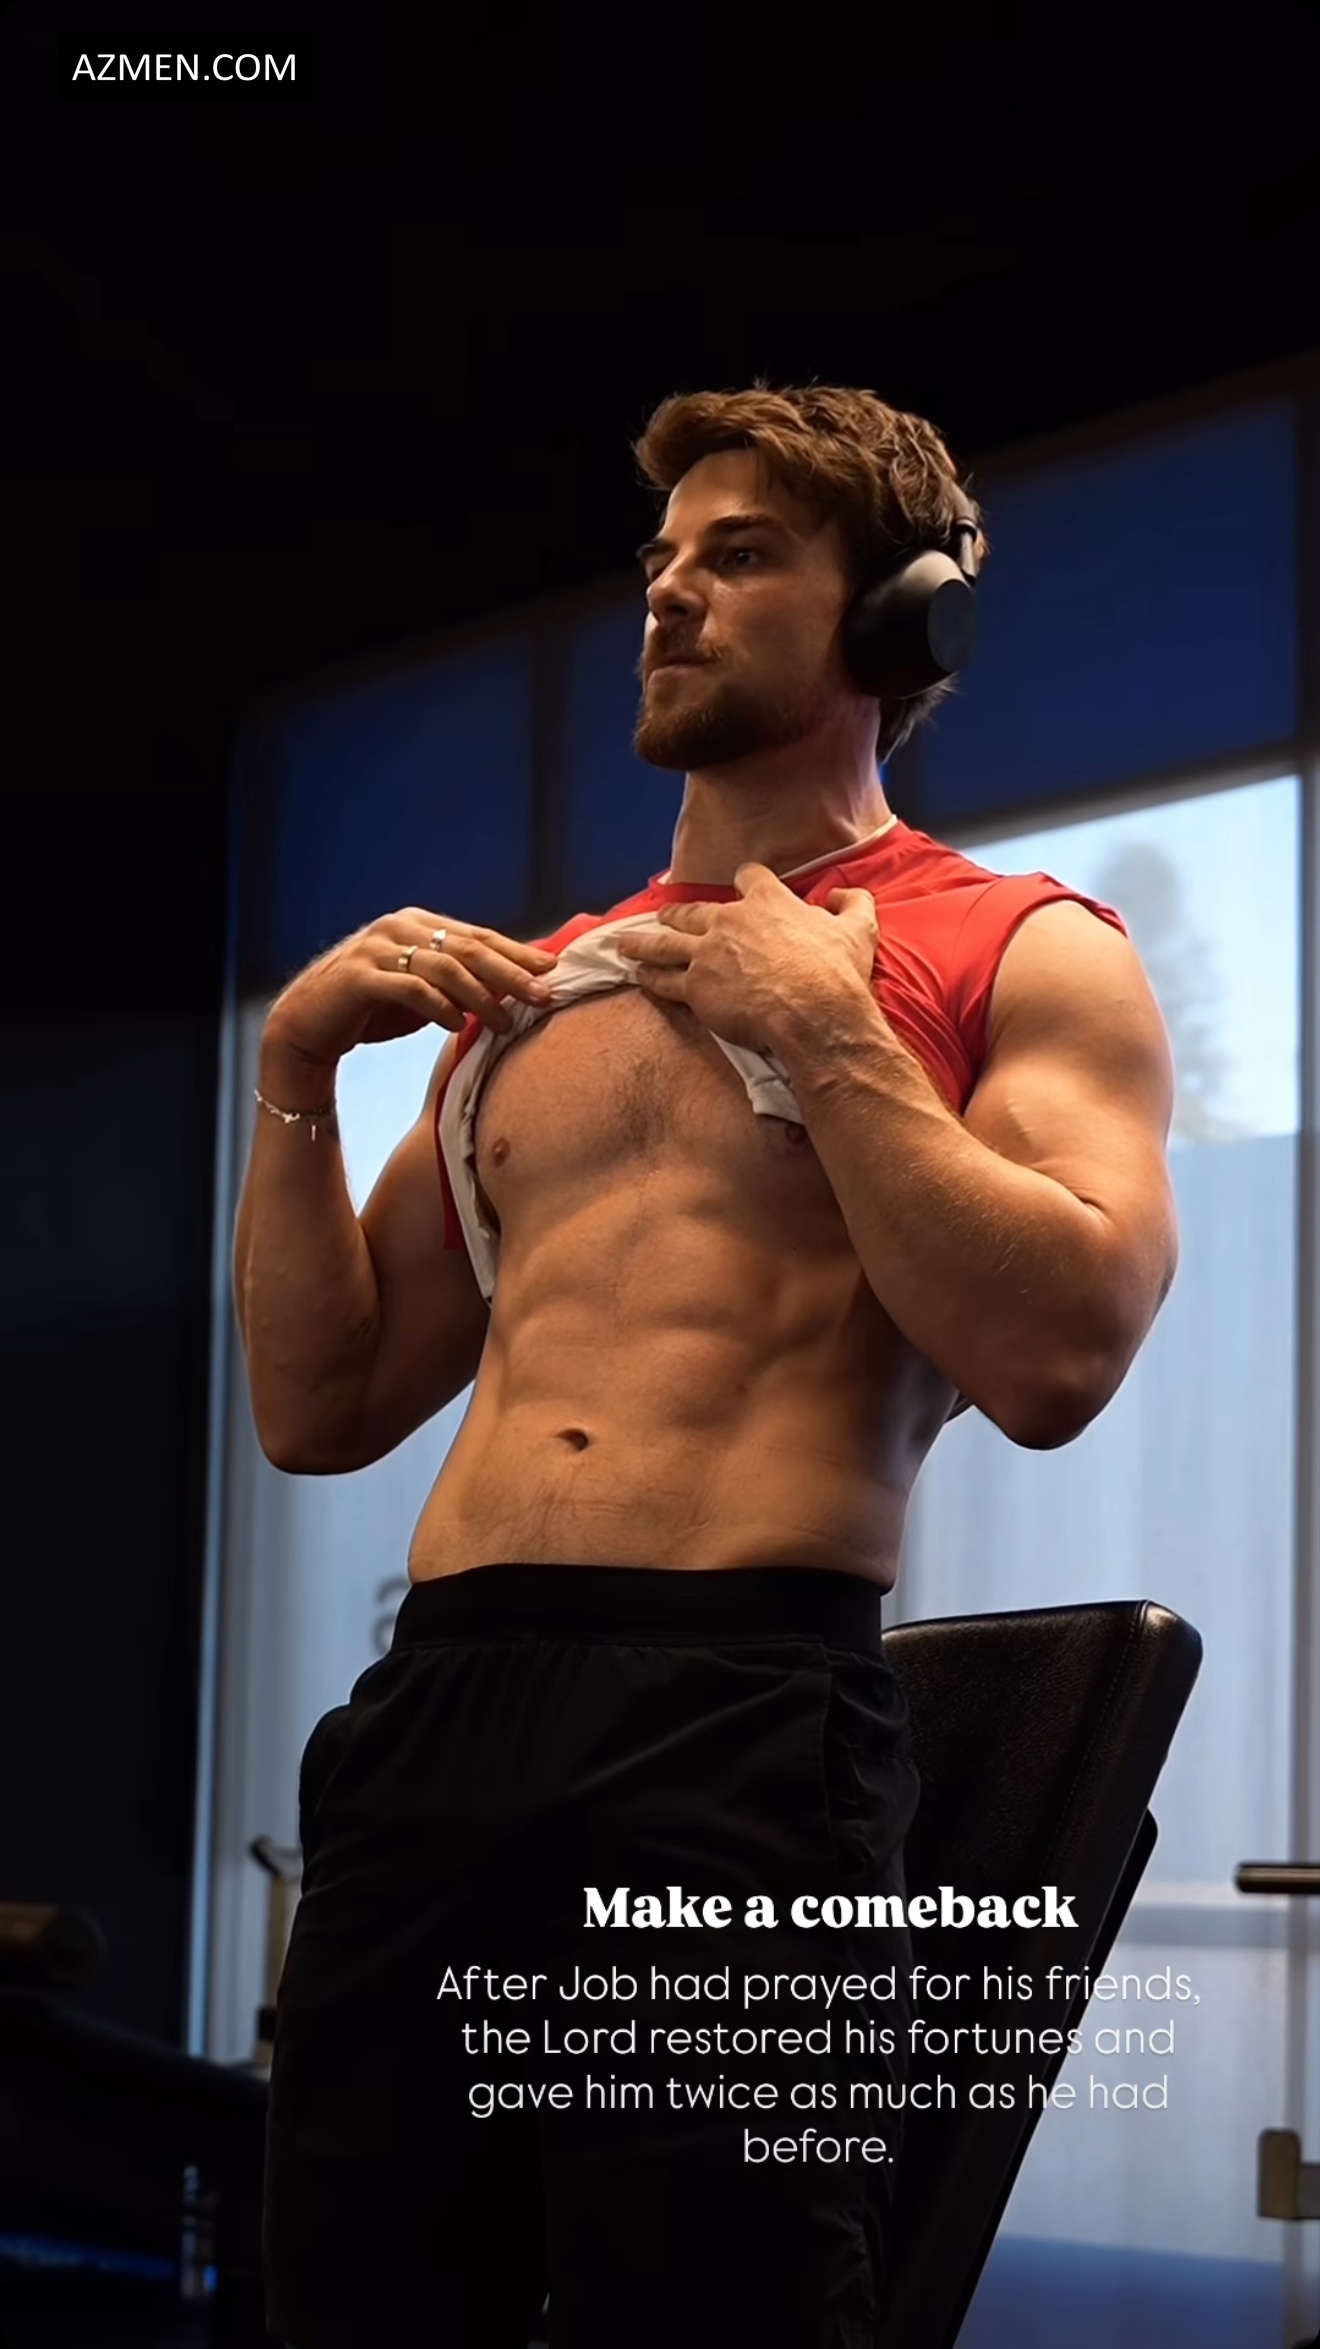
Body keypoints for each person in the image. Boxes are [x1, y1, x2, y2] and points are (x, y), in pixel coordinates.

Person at [235, 385, 1179, 2348]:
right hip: (436, 1712)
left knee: (720, 2311)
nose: (668, 596)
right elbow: (319, 1408)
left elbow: (1059, 1354)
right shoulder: (535, 994)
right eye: (662, 561)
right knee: (353, 2297)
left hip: (736, 1724)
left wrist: (826, 1038)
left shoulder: (1020, 947)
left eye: (740, 556)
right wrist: (295, 1078)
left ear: (903, 616)